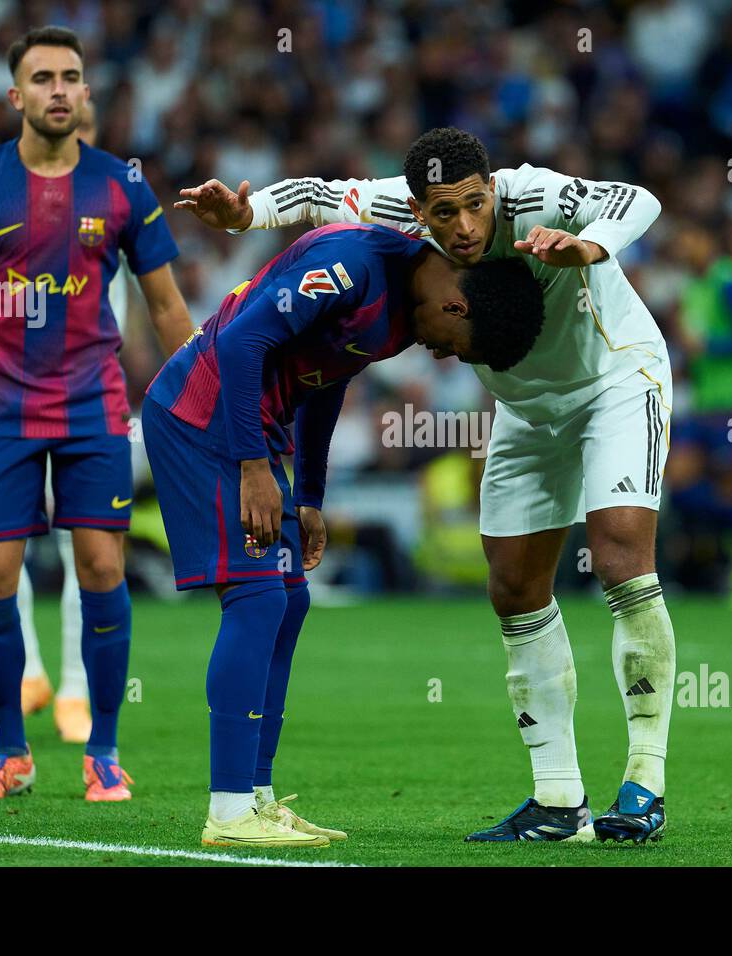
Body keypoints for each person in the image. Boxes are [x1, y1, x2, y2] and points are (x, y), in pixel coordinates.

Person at [176, 127, 673, 844]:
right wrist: (245, 215)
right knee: (513, 584)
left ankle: (644, 783)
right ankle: (558, 799)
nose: (463, 227)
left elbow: (637, 198)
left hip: (616, 379)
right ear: (417, 210)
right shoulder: (395, 207)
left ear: (493, 189)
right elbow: (316, 196)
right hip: (525, 408)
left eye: (474, 205)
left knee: (620, 552)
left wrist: (590, 245)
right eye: (444, 213)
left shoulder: (535, 195)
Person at [143, 220, 545, 847]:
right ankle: (228, 810)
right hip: (201, 414)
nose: (444, 356)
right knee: (256, 599)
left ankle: (257, 797)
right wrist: (254, 466)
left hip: (250, 429)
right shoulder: (351, 265)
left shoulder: (403, 316)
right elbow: (242, 341)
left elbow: (325, 377)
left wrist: (309, 494)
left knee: (289, 600)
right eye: (456, 347)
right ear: (456, 306)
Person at [0, 25, 192, 802]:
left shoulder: (122, 187)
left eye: (70, 77)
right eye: (43, 77)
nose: (59, 89)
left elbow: (165, 306)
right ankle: (10, 753)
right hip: (2, 411)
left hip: (94, 409)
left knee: (102, 569)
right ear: (15, 94)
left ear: (86, 93)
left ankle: (104, 751)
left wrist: (202, 401)